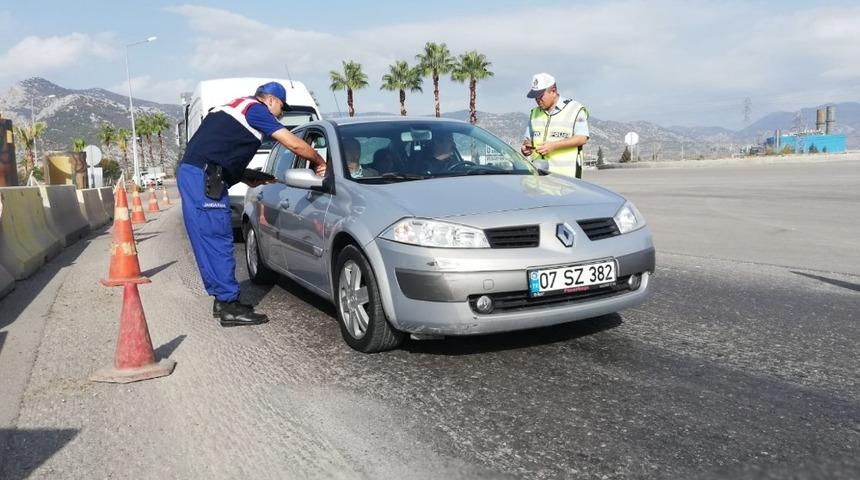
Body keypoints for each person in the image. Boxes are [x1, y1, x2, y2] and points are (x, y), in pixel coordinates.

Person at [177, 81, 326, 327]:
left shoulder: (233, 107)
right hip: (204, 176)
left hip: (196, 173)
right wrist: (320, 162)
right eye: (282, 107)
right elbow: (293, 143)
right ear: (270, 100)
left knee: (207, 239)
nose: (281, 114)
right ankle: (230, 306)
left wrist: (247, 176)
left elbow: (217, 150)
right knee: (218, 238)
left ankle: (221, 300)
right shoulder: (256, 110)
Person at [521, 73, 590, 178]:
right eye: (535, 97)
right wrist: (525, 148)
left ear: (553, 92)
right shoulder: (534, 113)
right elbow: (528, 140)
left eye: (540, 96)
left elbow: (582, 138)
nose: (537, 100)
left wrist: (554, 145)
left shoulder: (575, 109)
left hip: (566, 179)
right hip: (539, 177)